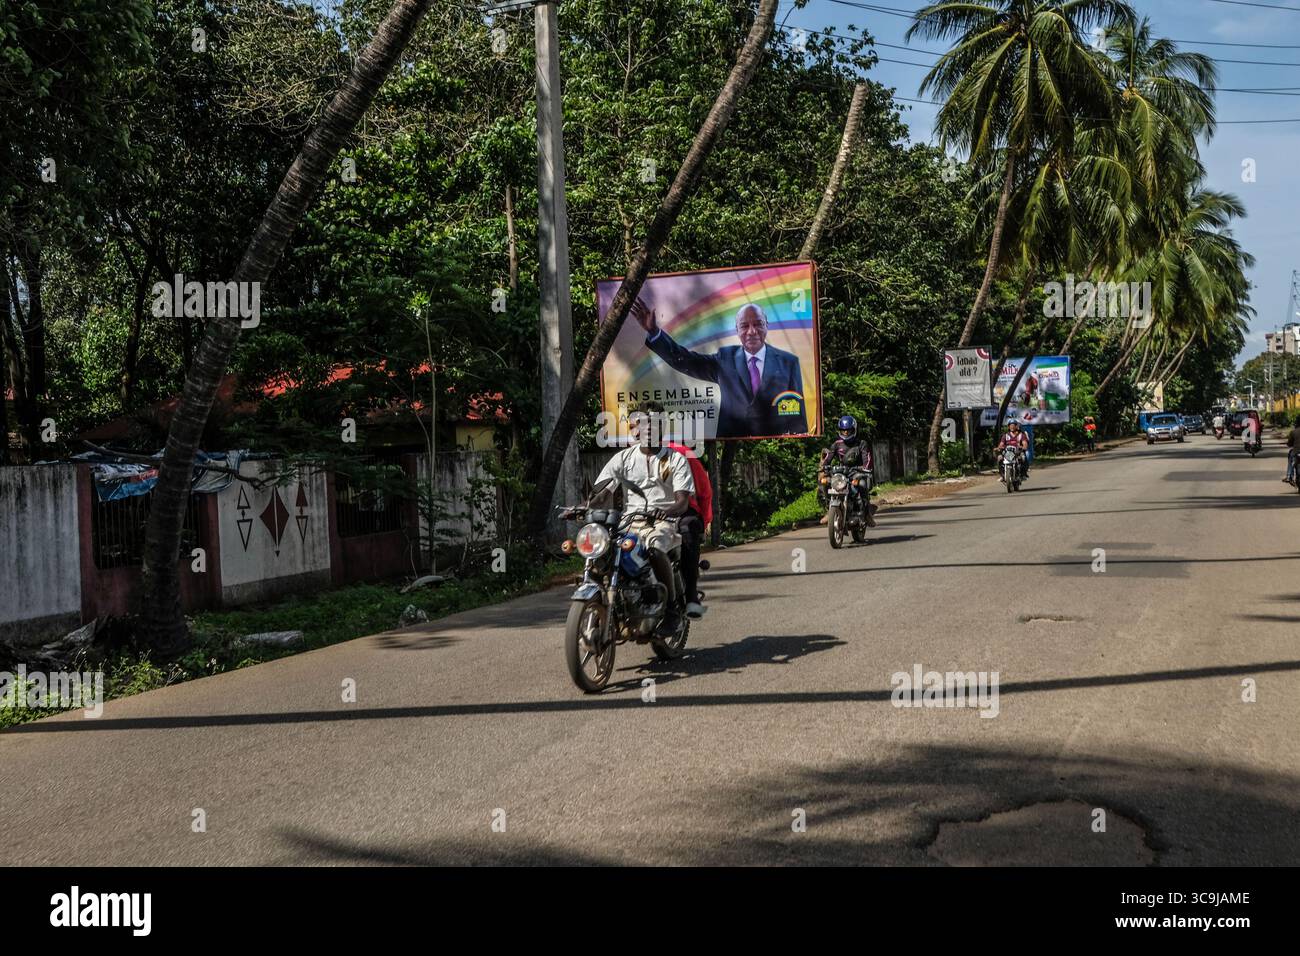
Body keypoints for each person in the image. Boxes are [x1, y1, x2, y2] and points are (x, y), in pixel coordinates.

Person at [584, 402, 694, 636]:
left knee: (653, 547)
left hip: (663, 524)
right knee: (602, 551)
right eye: (641, 424)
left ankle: (673, 610)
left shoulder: (675, 460)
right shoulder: (622, 459)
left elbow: (683, 501)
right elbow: (602, 491)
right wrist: (583, 506)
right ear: (634, 428)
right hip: (629, 523)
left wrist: (665, 512)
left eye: (653, 424)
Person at [632, 297, 808, 437]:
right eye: (745, 326)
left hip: (776, 443)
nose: (752, 331)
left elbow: (798, 415)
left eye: (758, 324)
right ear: (737, 330)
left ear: (767, 326)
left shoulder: (788, 362)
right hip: (732, 442)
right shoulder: (725, 359)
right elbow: (684, 360)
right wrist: (655, 333)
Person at [664, 438, 712, 619]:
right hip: (642, 513)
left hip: (680, 510)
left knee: (688, 528)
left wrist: (704, 522)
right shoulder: (629, 457)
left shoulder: (682, 454)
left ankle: (690, 595)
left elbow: (704, 491)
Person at [819, 414, 876, 527]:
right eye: (843, 431)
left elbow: (867, 458)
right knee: (824, 482)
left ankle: (866, 513)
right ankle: (828, 509)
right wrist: (824, 467)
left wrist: (866, 468)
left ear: (854, 430)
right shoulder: (837, 444)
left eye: (848, 431)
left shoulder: (861, 444)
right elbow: (828, 457)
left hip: (857, 472)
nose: (845, 433)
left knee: (862, 485)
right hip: (841, 472)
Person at [1285, 414, 1300, 483]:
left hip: (1296, 452)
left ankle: (1289, 476)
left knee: (1291, 458)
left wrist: (1289, 444)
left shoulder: (1293, 432)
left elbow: (1289, 444)